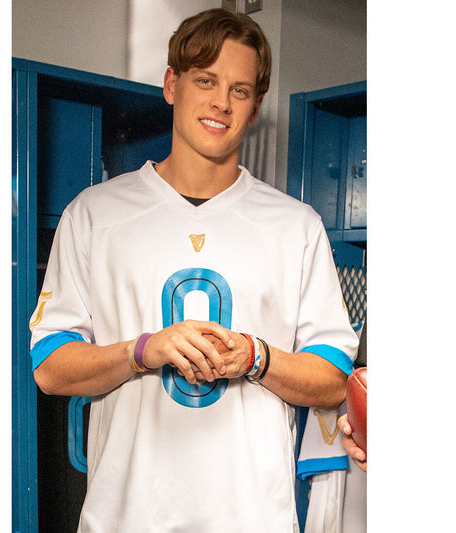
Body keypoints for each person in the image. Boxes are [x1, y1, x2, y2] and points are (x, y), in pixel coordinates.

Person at [29, 8, 359, 532]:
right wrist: (143, 351)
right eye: (205, 80)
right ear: (171, 84)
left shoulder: (297, 225)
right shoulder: (93, 214)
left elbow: (330, 379)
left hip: (253, 519)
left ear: (254, 107)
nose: (221, 103)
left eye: (241, 90)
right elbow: (50, 366)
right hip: (127, 517)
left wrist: (257, 355)